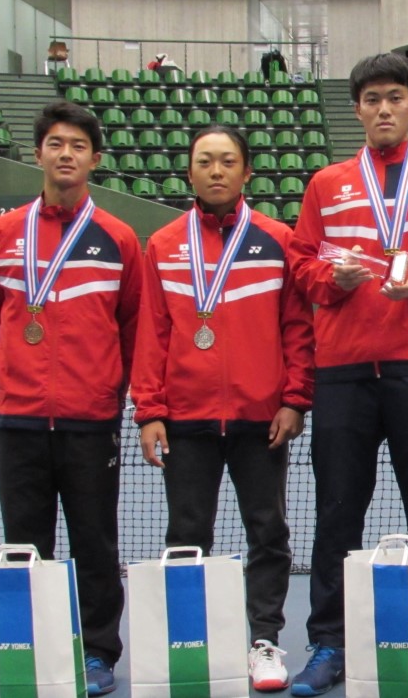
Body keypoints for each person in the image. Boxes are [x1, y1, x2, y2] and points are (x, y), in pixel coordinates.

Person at [287, 52, 408, 696]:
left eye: (394, 98)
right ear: (357, 110)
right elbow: (301, 267)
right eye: (371, 99)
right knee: (336, 514)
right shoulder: (326, 184)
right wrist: (330, 279)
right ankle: (327, 644)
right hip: (342, 372)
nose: (383, 109)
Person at [132, 124, 315, 693]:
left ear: (246, 172)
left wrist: (293, 399)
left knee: (269, 531)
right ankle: (193, 640)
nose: (216, 170)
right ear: (189, 172)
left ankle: (265, 642)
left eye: (227, 161)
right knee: (187, 532)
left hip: (261, 420)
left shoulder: (278, 239)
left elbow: (297, 327)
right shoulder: (162, 245)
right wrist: (149, 411)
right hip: (185, 419)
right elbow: (151, 334)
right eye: (205, 161)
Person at [0, 100, 142, 696]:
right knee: (25, 545)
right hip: (19, 419)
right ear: (38, 152)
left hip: (90, 420)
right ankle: (40, 649)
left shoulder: (119, 239)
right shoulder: (3, 232)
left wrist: (103, 390)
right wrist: (19, 377)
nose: (66, 154)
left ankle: (98, 653)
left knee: (96, 543)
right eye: (56, 144)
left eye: (77, 146)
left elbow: (131, 328)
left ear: (95, 160)